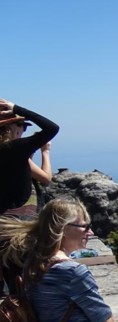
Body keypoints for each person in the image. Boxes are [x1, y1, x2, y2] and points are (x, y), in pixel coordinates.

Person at [0, 99, 59, 293]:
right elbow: (51, 128)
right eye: (21, 126)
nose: (23, 131)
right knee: (20, 277)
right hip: (16, 224)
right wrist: (17, 108)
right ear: (9, 128)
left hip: (4, 221)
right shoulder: (15, 149)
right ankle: (20, 317)